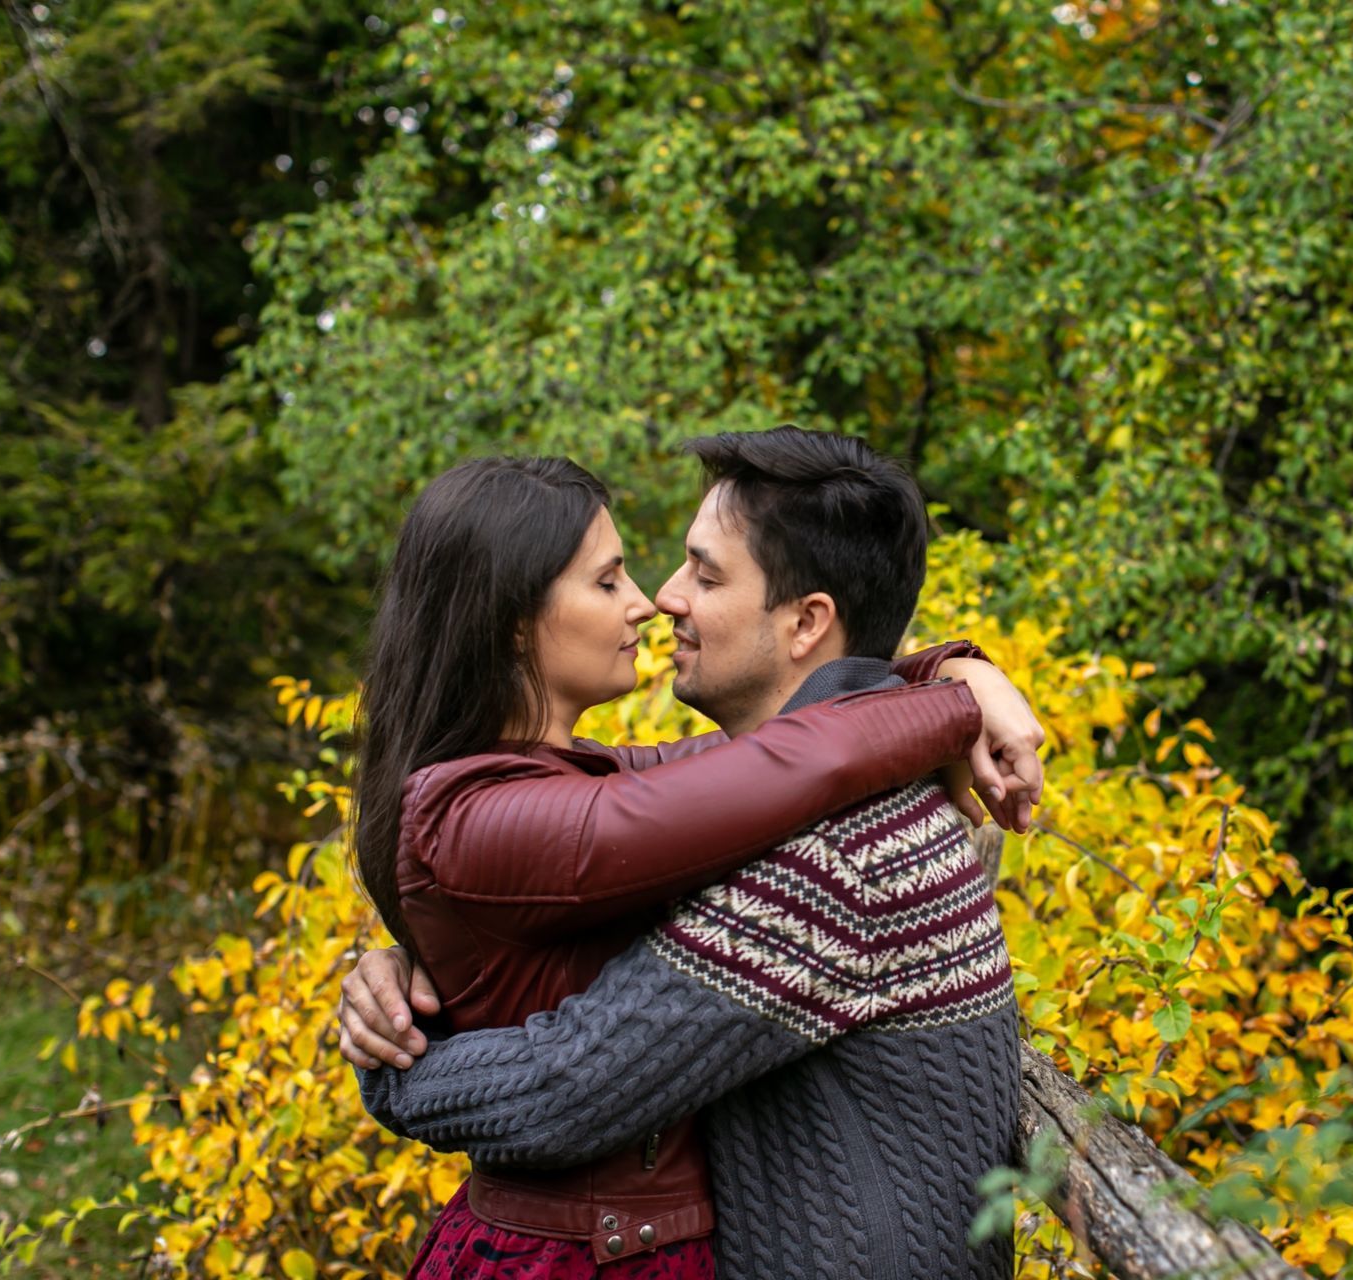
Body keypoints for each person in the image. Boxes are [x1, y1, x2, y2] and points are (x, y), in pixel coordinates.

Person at [339, 445, 1043, 1278]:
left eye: (704, 577)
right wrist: (957, 684)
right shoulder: (766, 812)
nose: (661, 598)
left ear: (806, 623)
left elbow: (565, 1092)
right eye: (617, 579)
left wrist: (401, 1062)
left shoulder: (843, 849)